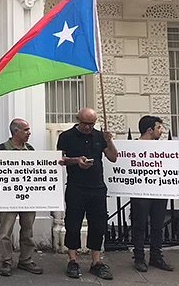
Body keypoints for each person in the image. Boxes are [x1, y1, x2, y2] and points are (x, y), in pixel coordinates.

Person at [58, 107, 118, 280]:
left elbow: (113, 158)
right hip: (76, 186)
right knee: (73, 223)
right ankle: (73, 260)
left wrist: (110, 141)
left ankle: (96, 262)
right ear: (78, 120)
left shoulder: (99, 136)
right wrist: (76, 160)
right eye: (85, 124)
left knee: (98, 224)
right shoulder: (67, 137)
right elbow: (60, 160)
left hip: (97, 187)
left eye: (91, 124)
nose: (88, 128)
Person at [0, 118, 43, 277]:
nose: (29, 133)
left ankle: (26, 260)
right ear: (16, 131)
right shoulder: (1, 149)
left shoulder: (30, 149)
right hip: (7, 198)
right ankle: (6, 261)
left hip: (27, 197)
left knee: (27, 230)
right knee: (5, 232)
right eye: (26, 130)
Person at [130, 115, 174, 272]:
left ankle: (156, 256)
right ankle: (139, 257)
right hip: (141, 193)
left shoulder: (161, 148)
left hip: (158, 192)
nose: (161, 131)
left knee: (157, 225)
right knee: (140, 225)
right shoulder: (134, 146)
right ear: (150, 130)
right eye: (159, 128)